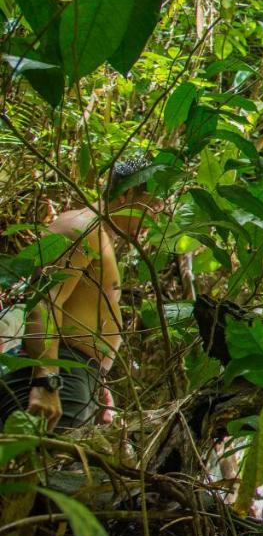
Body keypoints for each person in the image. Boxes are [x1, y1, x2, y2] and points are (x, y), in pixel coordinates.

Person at [0, 153, 159, 432]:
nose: (156, 218)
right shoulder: (83, 227)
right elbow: (45, 301)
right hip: (59, 371)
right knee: (48, 470)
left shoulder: (100, 234)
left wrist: (98, 385)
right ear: (128, 193)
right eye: (154, 206)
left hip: (76, 373)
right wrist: (47, 381)